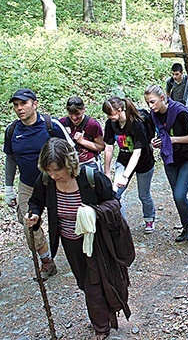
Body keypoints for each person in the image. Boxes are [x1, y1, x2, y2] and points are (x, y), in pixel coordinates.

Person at [26, 138, 126, 340]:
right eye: (49, 170)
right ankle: (105, 311)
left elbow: (114, 203)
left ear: (68, 165)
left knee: (94, 282)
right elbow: (35, 201)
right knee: (84, 282)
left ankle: (101, 327)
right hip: (70, 242)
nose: (54, 175)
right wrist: (34, 214)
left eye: (57, 170)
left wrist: (92, 212)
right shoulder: (46, 181)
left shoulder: (91, 178)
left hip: (97, 240)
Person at [4, 88, 73, 280]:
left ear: (35, 104)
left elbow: (71, 152)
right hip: (28, 184)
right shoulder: (12, 130)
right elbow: (10, 158)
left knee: (68, 218)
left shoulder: (52, 126)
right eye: (16, 105)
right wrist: (8, 188)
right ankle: (47, 261)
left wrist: (75, 179)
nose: (19, 108)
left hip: (54, 182)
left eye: (23, 104)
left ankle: (83, 253)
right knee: (29, 223)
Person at [144, 85, 188, 241]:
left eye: (153, 102)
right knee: (177, 197)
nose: (151, 106)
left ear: (162, 98)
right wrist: (157, 142)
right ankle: (186, 226)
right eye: (148, 103)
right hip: (170, 158)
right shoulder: (154, 114)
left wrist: (172, 140)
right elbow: (161, 134)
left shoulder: (180, 112)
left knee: (179, 195)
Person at [102, 97, 156, 233]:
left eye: (111, 114)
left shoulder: (136, 123)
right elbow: (109, 147)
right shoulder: (111, 123)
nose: (109, 117)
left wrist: (125, 176)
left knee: (143, 194)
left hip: (144, 161)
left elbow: (138, 152)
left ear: (119, 110)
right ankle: (122, 226)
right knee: (117, 194)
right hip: (124, 160)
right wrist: (107, 171)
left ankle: (149, 218)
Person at [60, 96, 105, 170]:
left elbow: (101, 147)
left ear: (83, 109)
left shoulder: (92, 124)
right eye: (71, 114)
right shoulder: (63, 122)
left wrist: (82, 141)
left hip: (89, 163)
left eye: (77, 114)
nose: (74, 117)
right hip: (69, 164)